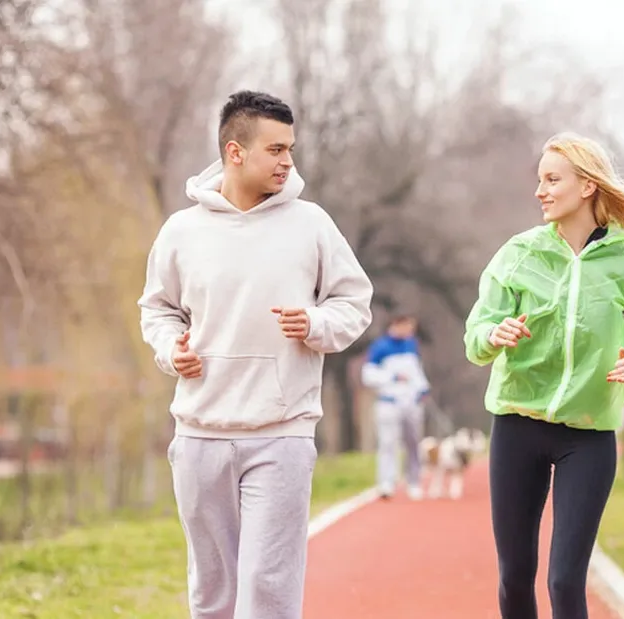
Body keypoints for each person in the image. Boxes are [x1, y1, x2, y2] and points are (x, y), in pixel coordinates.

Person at [137, 90, 373, 619]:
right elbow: (157, 311)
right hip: (199, 434)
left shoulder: (310, 224)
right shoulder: (181, 231)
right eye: (275, 149)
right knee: (213, 594)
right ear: (234, 151)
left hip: (281, 433)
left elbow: (355, 303)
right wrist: (169, 352)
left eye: (290, 148)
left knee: (267, 590)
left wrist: (315, 323)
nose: (287, 161)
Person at [463, 132, 624, 619]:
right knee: (516, 576)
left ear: (587, 186)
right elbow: (476, 330)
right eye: (539, 180)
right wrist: (493, 334)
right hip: (518, 425)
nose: (540, 190)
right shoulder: (520, 253)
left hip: (588, 433)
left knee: (565, 581)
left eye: (552, 179)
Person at [360, 314, 431, 500]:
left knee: (413, 443)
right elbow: (367, 375)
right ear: (396, 324)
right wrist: (391, 378)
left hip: (411, 402)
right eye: (407, 327)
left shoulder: (411, 345)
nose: (410, 331)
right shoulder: (380, 347)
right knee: (388, 443)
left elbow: (417, 371)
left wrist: (423, 389)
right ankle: (386, 483)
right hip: (389, 401)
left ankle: (413, 481)